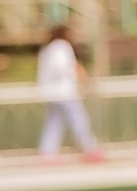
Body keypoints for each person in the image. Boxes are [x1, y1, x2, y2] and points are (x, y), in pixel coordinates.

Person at [35, 25, 101, 160]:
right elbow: (61, 67)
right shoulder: (61, 46)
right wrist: (77, 71)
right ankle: (90, 149)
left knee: (54, 123)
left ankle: (48, 152)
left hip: (51, 93)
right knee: (79, 120)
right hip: (64, 92)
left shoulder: (47, 48)